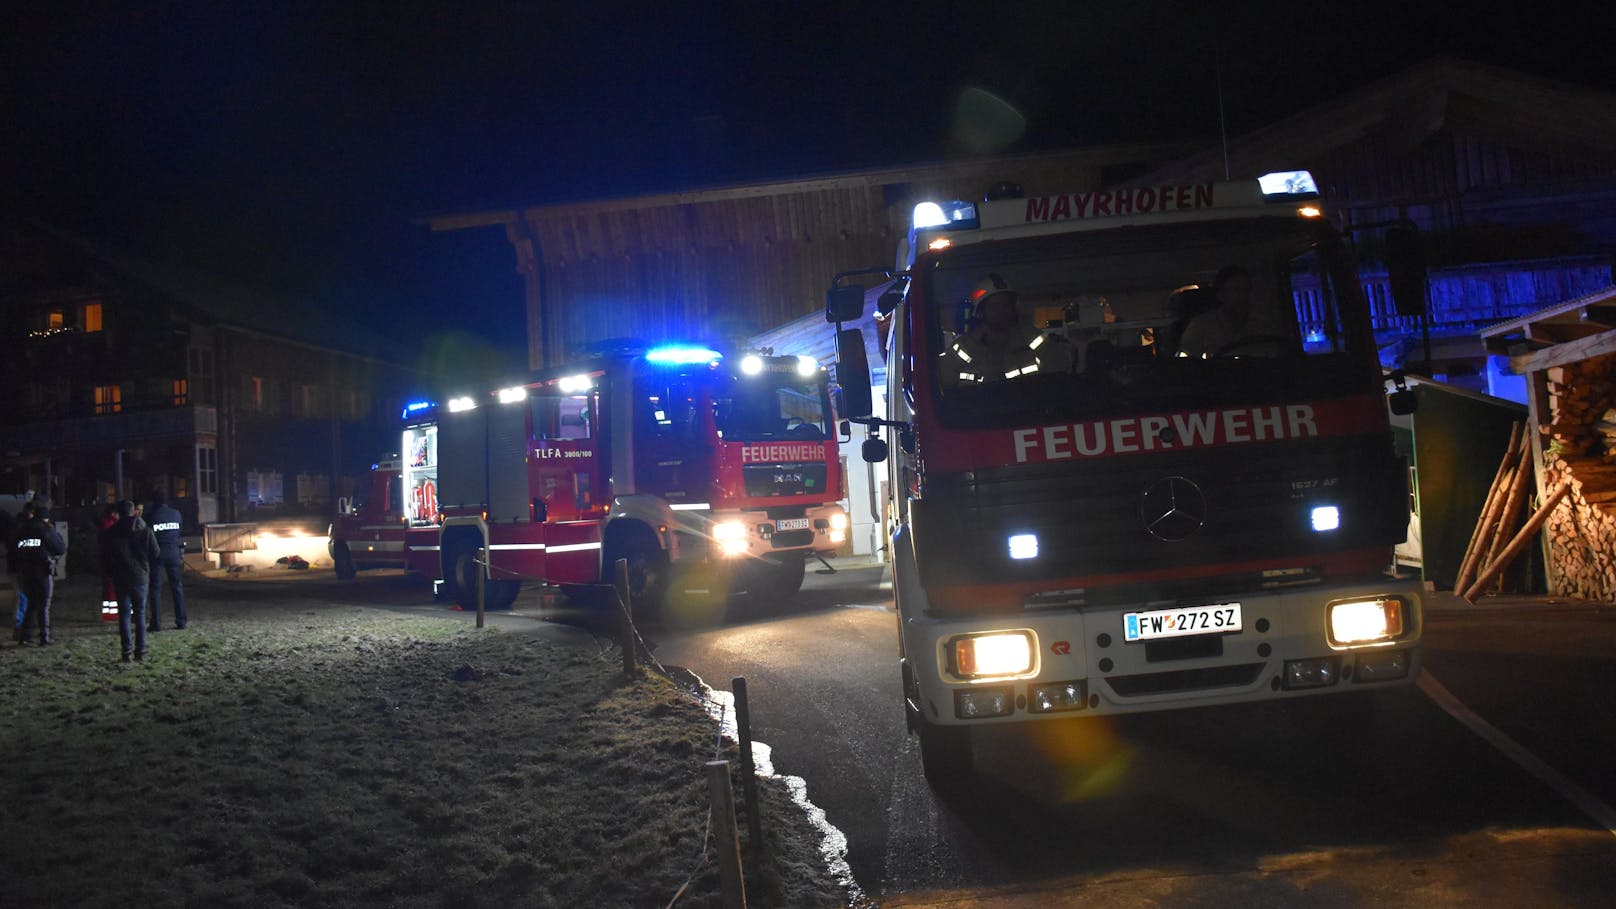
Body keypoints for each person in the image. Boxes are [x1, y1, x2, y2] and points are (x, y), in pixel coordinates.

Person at [941, 273, 1071, 385]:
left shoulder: (1030, 339)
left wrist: (1028, 331)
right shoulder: (965, 346)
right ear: (981, 312)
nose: (1001, 311)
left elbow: (1060, 366)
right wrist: (972, 341)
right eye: (994, 306)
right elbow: (944, 379)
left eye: (1006, 305)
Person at [1175, 265, 1277, 359]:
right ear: (1221, 295)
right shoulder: (1200, 326)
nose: (1243, 296)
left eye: (1246, 290)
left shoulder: (1263, 324)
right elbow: (1187, 364)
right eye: (1236, 290)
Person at [107, 499, 159, 663]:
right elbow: (155, 553)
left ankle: (126, 652)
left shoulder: (111, 532)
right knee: (140, 614)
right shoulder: (145, 531)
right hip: (140, 576)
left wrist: (110, 572)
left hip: (120, 576)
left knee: (124, 615)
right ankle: (140, 651)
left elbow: (106, 556)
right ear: (134, 512)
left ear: (119, 513)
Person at [14, 497, 66, 647]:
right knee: (44, 604)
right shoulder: (45, 529)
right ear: (45, 517)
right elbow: (60, 548)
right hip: (42, 570)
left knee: (32, 603)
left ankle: (25, 636)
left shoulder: (23, 529)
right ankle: (45, 636)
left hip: (25, 571)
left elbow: (15, 548)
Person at [146, 493, 186, 631]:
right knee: (177, 588)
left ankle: (156, 623)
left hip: (157, 554)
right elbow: (179, 531)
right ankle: (181, 621)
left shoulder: (152, 516)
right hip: (174, 552)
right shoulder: (176, 514)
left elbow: (148, 535)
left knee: (156, 589)